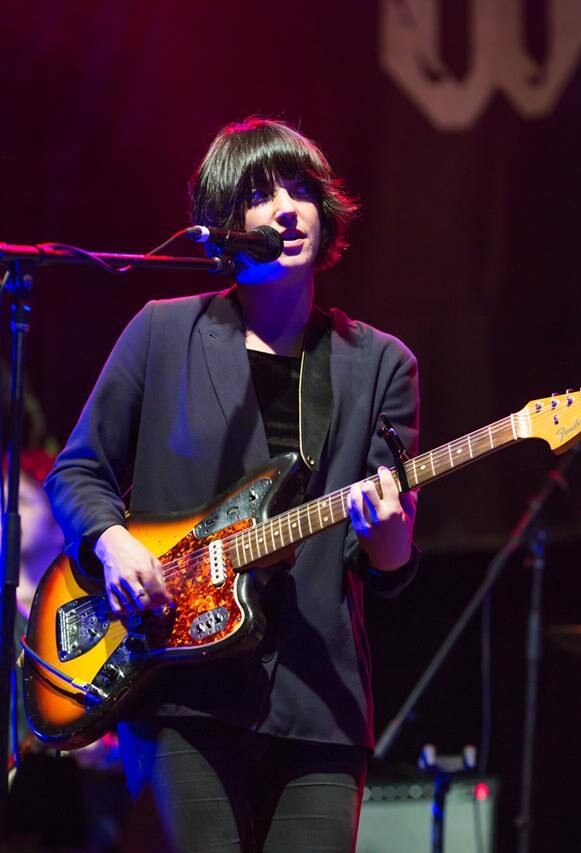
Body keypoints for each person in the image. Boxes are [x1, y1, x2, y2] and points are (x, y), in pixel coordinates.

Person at [45, 117, 421, 853]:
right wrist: (114, 542)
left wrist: (390, 539)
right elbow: (78, 470)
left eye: (303, 191)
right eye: (261, 194)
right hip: (180, 689)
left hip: (319, 704)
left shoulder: (381, 364)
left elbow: (387, 568)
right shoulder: (162, 334)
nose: (288, 208)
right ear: (223, 226)